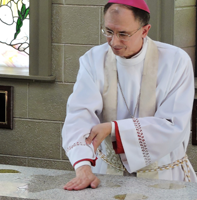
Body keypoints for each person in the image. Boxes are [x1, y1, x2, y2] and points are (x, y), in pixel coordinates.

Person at [62, 0, 196, 191]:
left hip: (164, 176)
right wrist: (82, 167)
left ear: (144, 30)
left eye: (123, 34)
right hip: (109, 172)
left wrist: (114, 128)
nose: (114, 42)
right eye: (108, 31)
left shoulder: (176, 61)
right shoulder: (93, 60)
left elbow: (173, 125)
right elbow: (78, 115)